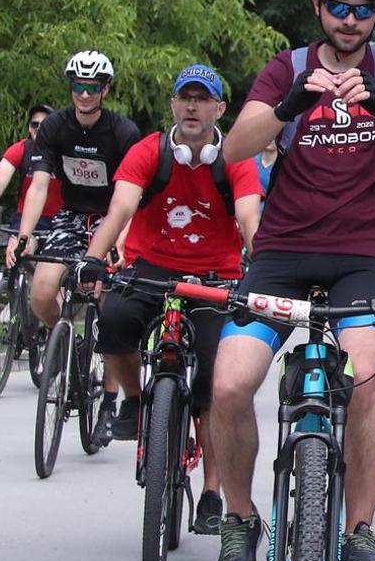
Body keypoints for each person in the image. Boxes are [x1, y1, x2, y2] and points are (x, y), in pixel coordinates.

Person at [208, 0, 375, 561]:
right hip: (281, 252)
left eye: (362, 9)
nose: (349, 19)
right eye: (338, 5)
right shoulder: (286, 67)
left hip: (364, 256)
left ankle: (358, 529)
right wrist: (290, 104)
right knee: (229, 385)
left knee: (364, 379)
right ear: (317, 7)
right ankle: (239, 516)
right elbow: (235, 148)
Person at [74, 64, 262, 534]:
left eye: (203, 99)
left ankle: (213, 493)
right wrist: (93, 259)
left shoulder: (235, 159)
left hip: (215, 276)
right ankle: (136, 401)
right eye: (185, 98)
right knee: (112, 320)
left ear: (220, 108)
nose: (193, 107)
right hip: (149, 268)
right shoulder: (148, 152)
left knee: (214, 380)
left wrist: (262, 270)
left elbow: (249, 218)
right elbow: (120, 209)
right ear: (174, 104)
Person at [13, 51, 144, 443]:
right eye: (77, 86)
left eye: (92, 87)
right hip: (71, 218)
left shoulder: (123, 132)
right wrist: (25, 234)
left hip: (111, 219)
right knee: (41, 292)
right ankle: (68, 343)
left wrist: (118, 241)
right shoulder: (55, 126)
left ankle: (109, 402)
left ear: (105, 90)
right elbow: (39, 185)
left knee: (107, 307)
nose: (84, 94)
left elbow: (132, 197)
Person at [0, 105, 61, 234]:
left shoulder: (64, 152)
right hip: (25, 216)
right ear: (29, 128)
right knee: (18, 245)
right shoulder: (21, 149)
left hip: (59, 219)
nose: (39, 129)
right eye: (35, 125)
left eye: (44, 125)